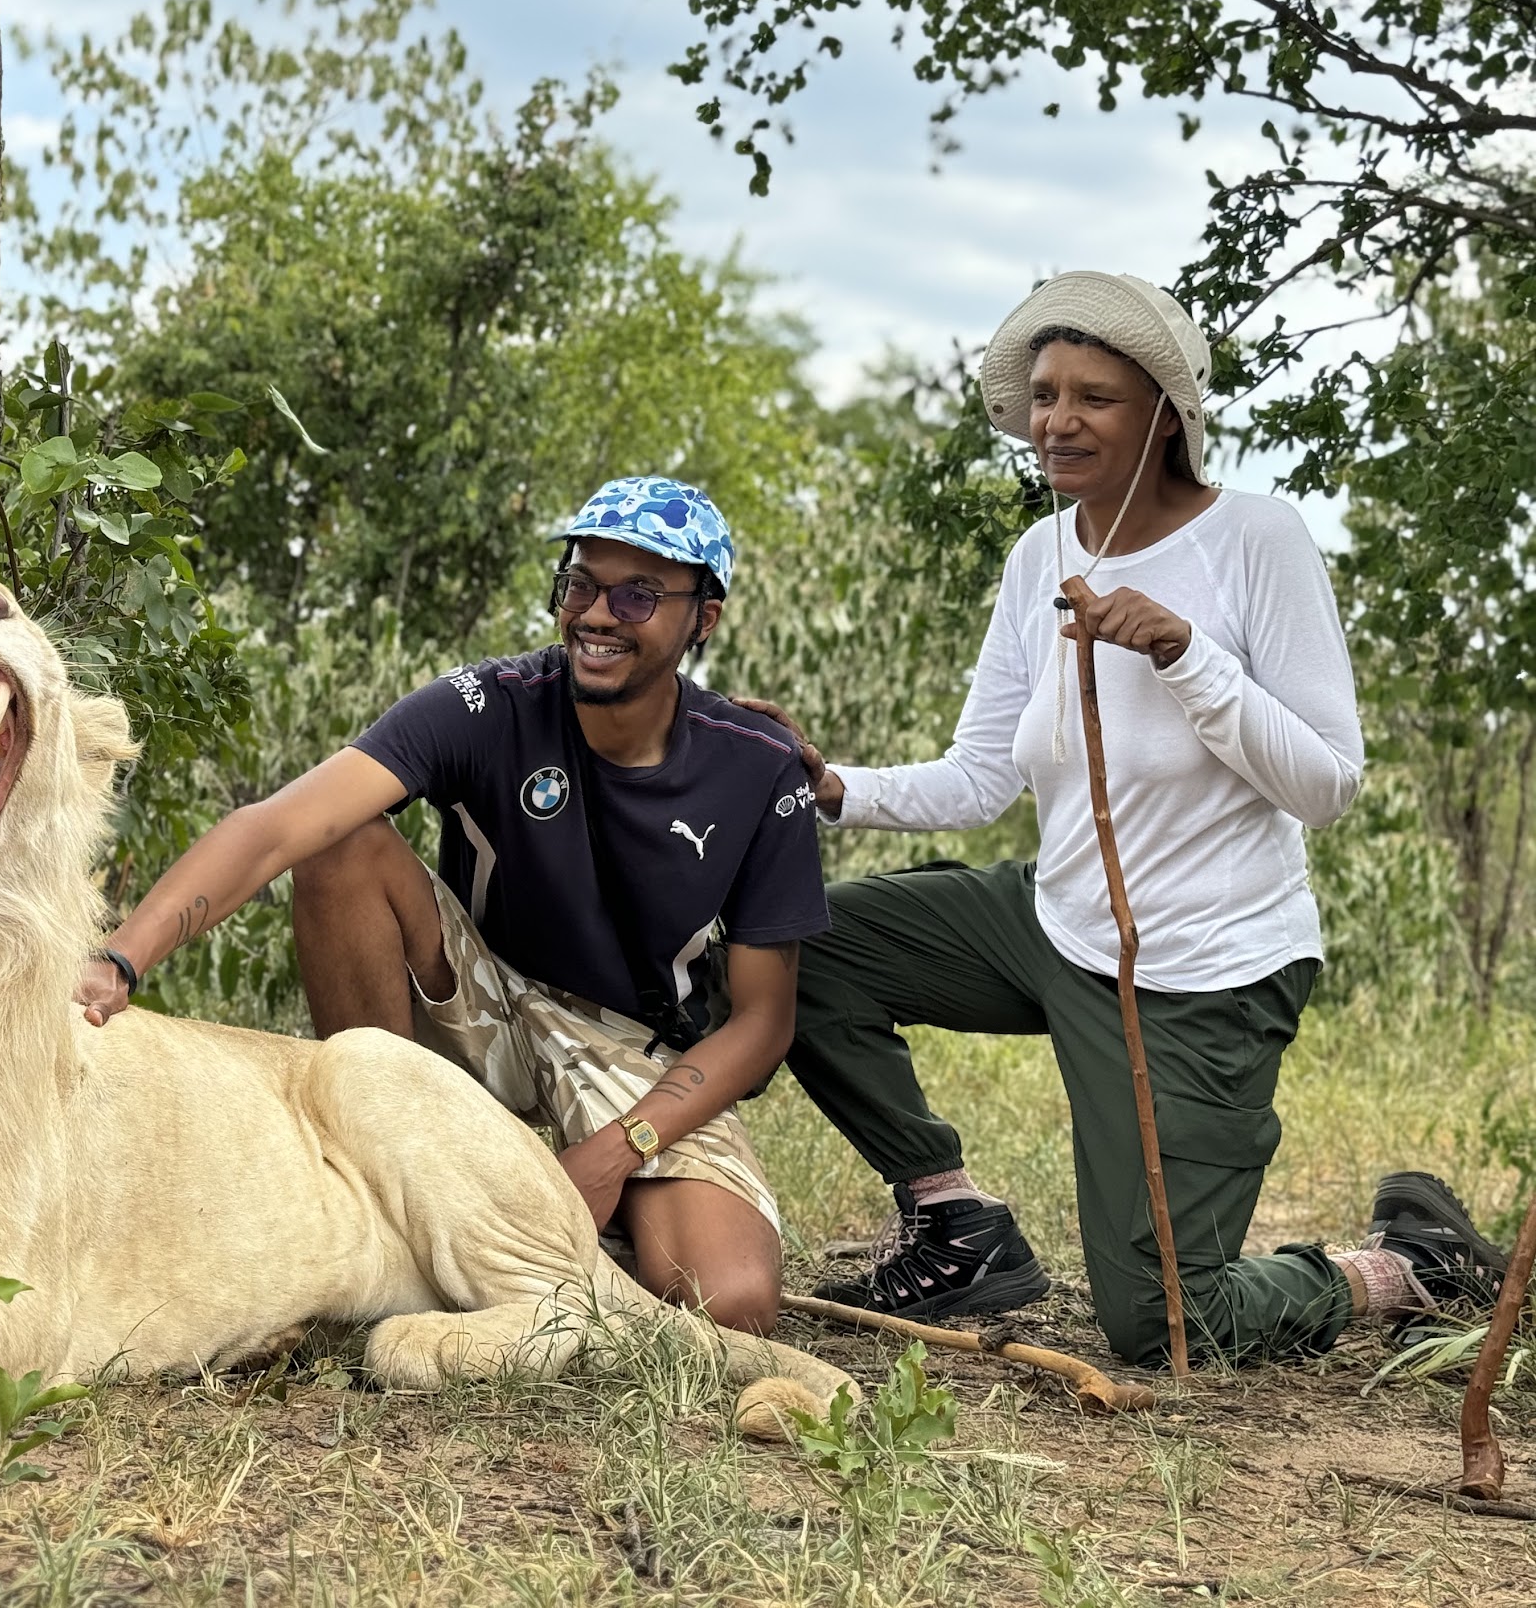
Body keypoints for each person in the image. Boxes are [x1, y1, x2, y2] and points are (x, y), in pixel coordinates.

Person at [752, 270, 1508, 1367]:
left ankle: (1406, 1268)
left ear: (1164, 412)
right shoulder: (1040, 556)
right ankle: (954, 1219)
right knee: (803, 947)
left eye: (1092, 397)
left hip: (1201, 971)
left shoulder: (1256, 540)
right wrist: (831, 787)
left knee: (1164, 1324)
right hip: (1054, 922)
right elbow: (979, 779)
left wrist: (1184, 654)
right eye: (1045, 394)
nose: (1056, 419)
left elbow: (1327, 785)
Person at [74, 478, 831, 1331]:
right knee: (342, 841)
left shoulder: (757, 766)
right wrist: (118, 959)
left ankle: (577, 1219)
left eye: (638, 595)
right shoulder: (487, 703)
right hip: (479, 993)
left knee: (726, 1303)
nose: (596, 615)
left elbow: (762, 1023)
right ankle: (385, 1180)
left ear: (704, 617)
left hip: (628, 1046)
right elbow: (277, 828)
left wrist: (618, 1152)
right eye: (579, 583)